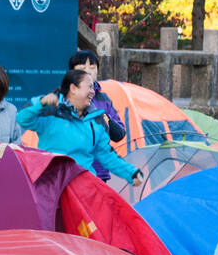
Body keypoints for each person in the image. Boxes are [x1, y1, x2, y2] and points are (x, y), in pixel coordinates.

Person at [17, 69, 144, 189]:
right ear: (73, 88)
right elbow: (22, 119)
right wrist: (41, 103)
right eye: (89, 87)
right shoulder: (51, 110)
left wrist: (131, 173)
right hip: (51, 187)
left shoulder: (97, 119)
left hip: (83, 188)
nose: (93, 91)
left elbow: (107, 156)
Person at [67, 50, 127, 180]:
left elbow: (119, 134)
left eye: (92, 67)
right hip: (72, 172)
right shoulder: (63, 99)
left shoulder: (103, 99)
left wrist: (104, 118)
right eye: (82, 68)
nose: (88, 71)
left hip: (99, 173)